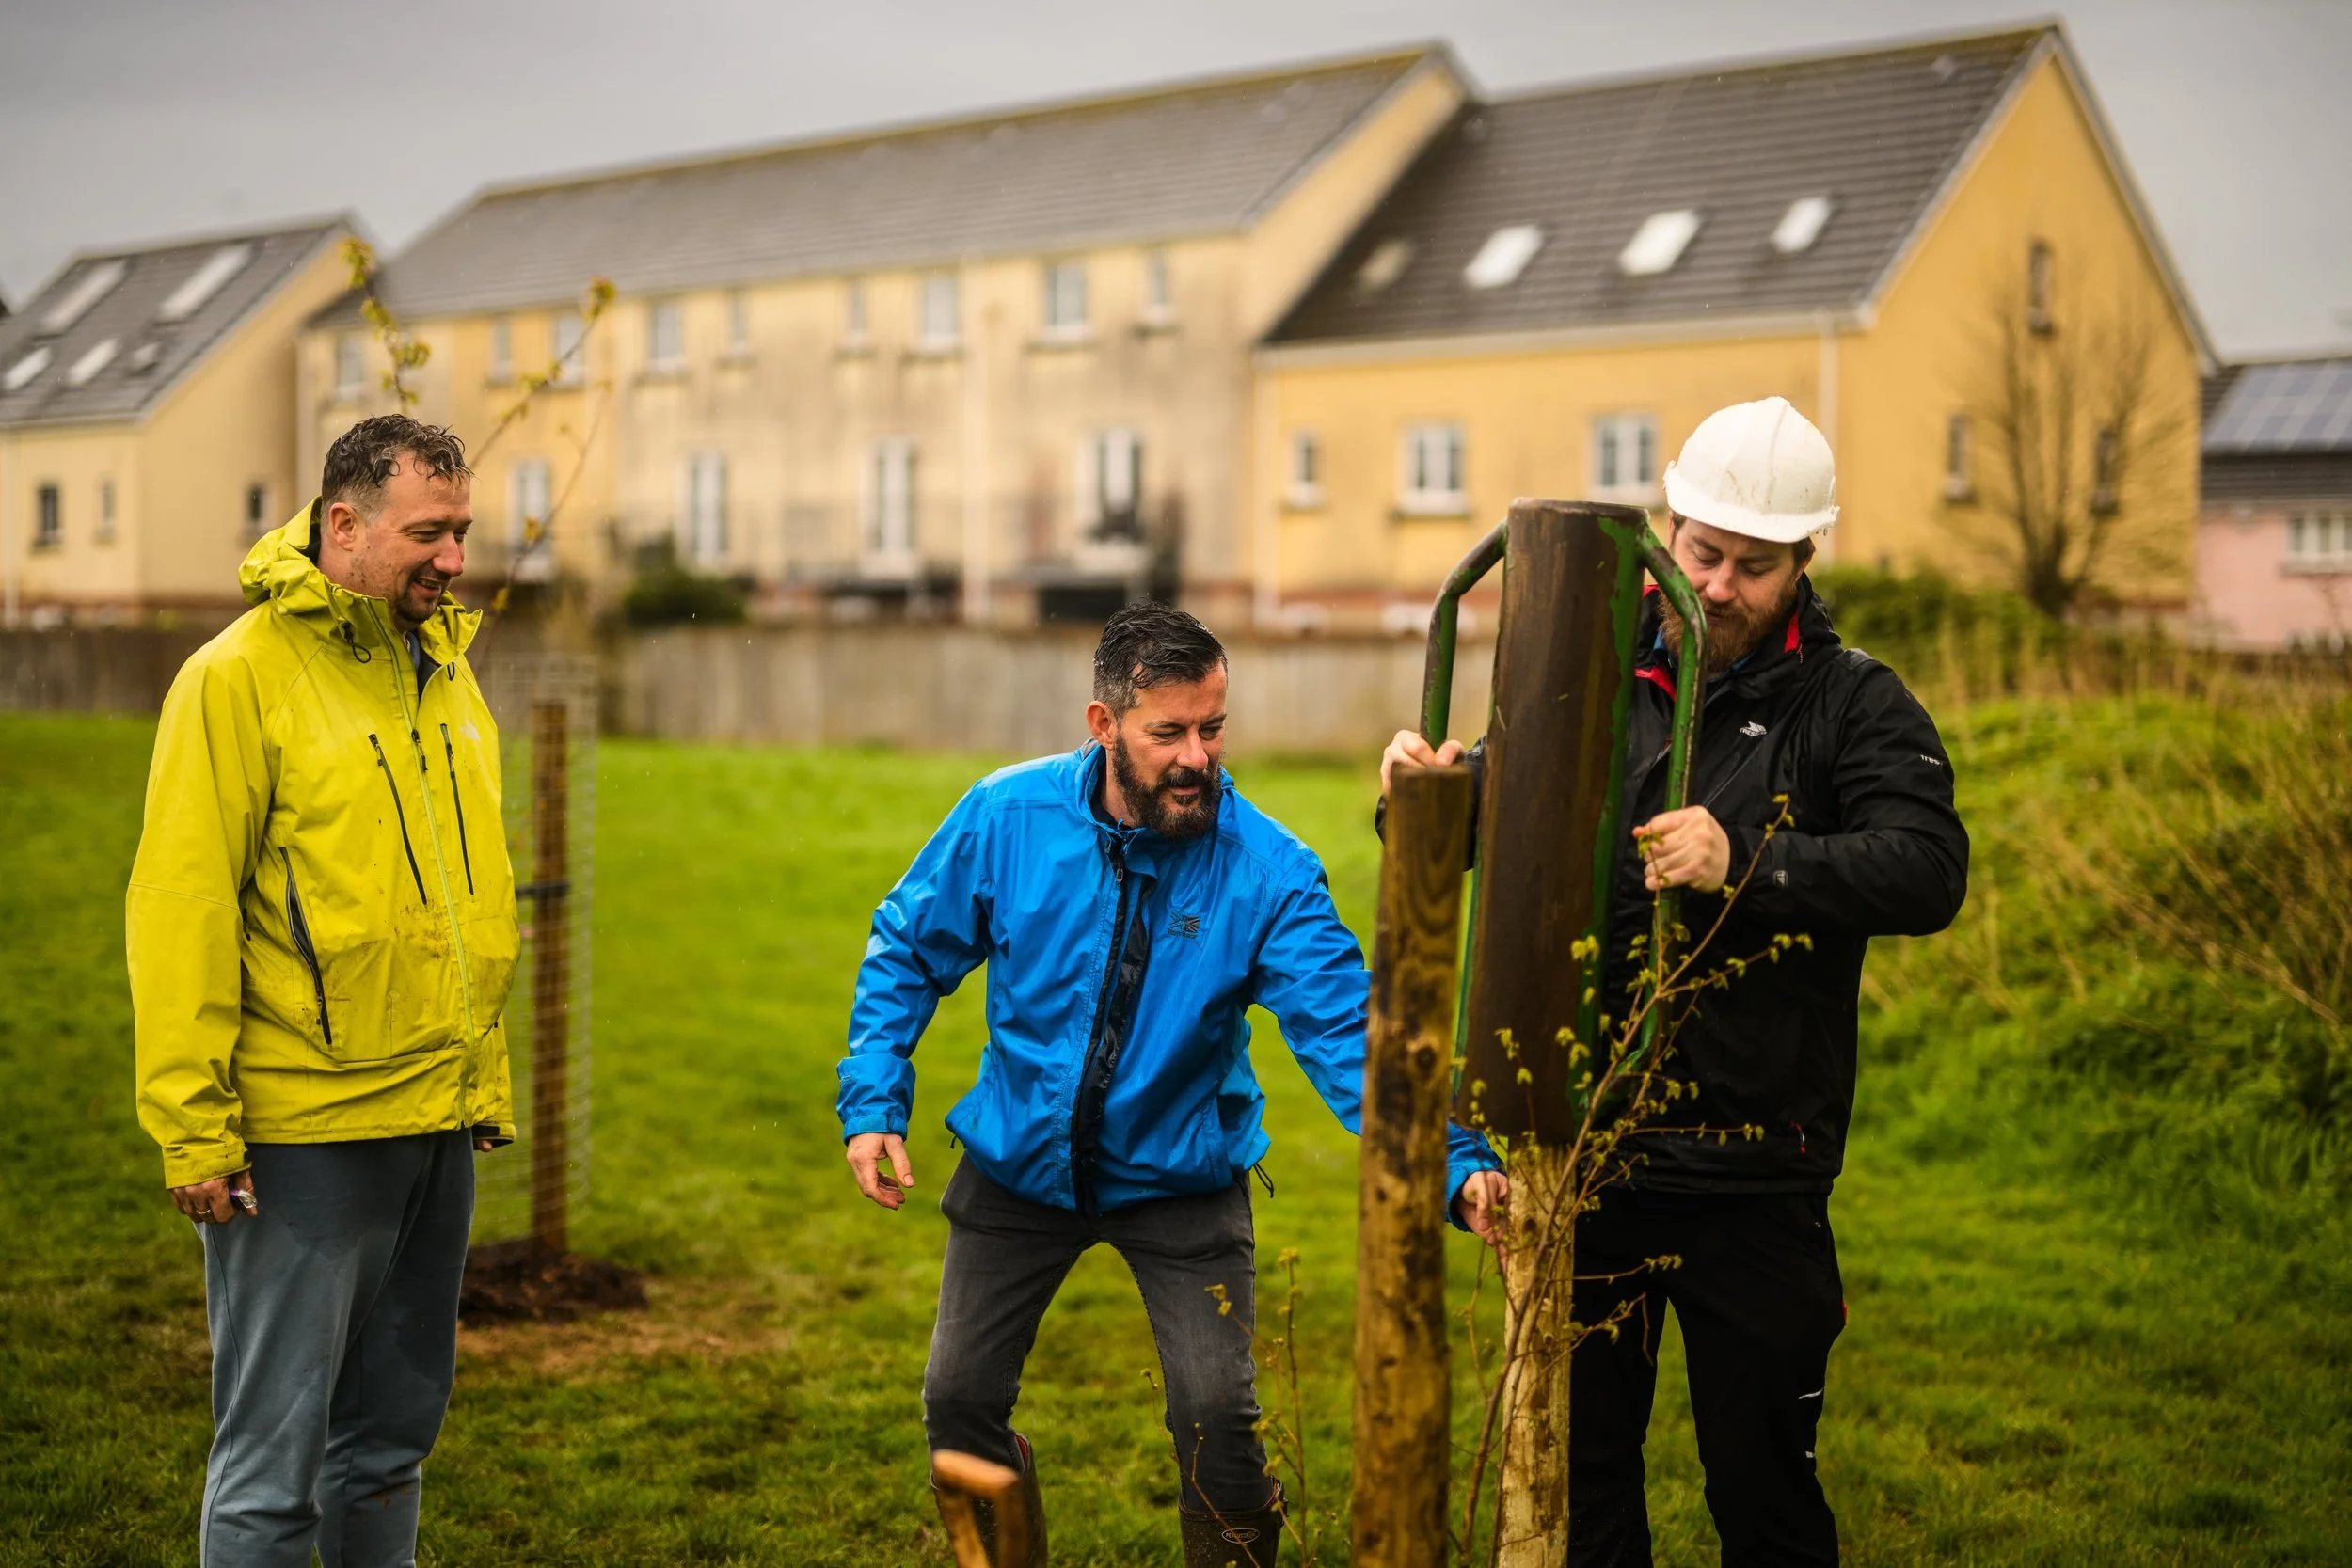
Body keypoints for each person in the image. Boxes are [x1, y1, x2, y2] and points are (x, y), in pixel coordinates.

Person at [1381, 397, 1969, 1566]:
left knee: (1760, 1488)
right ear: (1668, 527)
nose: (1719, 583)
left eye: (1755, 564)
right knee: (1588, 1483)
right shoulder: (1591, 673)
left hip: (1760, 1166)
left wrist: (1744, 860)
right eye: (1701, 551)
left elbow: (1926, 870)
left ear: (1804, 560)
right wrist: (1426, 792)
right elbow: (1473, 838)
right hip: (1592, 1153)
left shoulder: (1855, 702)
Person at [839, 601, 1506, 1567]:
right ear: (1103, 725)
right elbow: (905, 943)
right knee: (959, 1400)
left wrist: (1452, 1159)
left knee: (1215, 1419)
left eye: (1213, 727)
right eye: (1169, 732)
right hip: (1017, 1165)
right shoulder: (1005, 816)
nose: (1198, 757)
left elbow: (1348, 1033)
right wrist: (871, 1103)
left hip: (1181, 1182)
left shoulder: (1267, 869)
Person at [128, 415, 518, 1568]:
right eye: (427, 533)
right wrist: (192, 1124)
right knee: (272, 1471)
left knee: (390, 1443)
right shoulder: (234, 679)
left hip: (434, 1121)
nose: (453, 559)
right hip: (302, 1136)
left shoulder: (441, 667)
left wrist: (475, 1081)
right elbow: (181, 908)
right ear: (341, 525)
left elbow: (454, 899)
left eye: (462, 531)